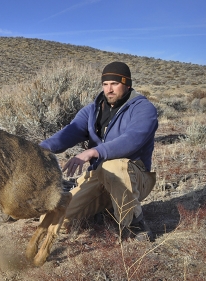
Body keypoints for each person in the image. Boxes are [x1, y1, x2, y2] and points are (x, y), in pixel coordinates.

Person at [40, 61, 158, 241]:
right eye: (105, 84)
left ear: (127, 84)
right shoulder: (92, 110)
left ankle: (135, 223)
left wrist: (93, 152)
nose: (109, 89)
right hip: (98, 176)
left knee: (114, 166)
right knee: (53, 220)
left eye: (115, 84)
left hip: (133, 175)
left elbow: (133, 139)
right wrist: (39, 150)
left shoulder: (143, 108)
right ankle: (103, 209)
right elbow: (69, 133)